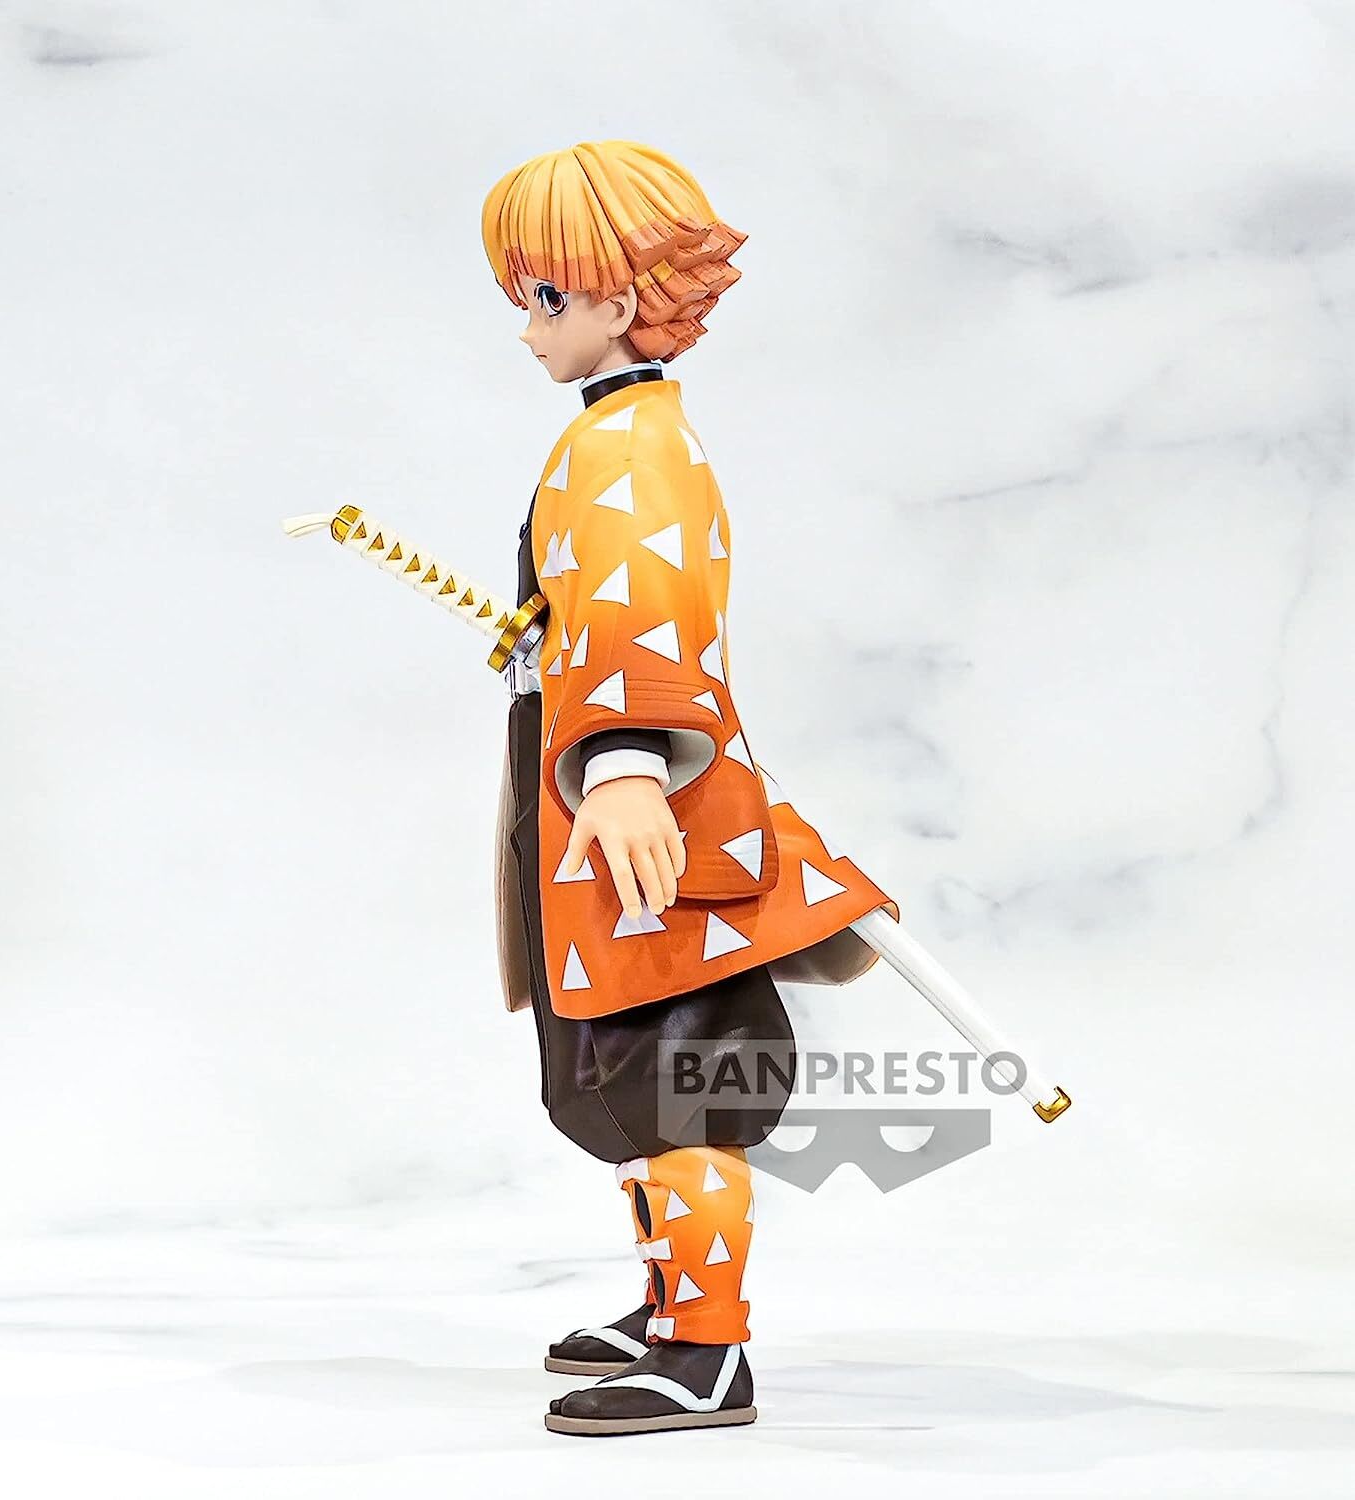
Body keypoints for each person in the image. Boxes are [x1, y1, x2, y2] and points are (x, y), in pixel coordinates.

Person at [484, 140, 898, 1436]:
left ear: (618, 297)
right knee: (627, 1075)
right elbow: (600, 609)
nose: (528, 326)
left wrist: (622, 766)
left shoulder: (629, 451)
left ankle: (708, 1350)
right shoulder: (615, 437)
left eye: (546, 296)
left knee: (677, 1080)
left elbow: (648, 610)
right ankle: (671, 1306)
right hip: (605, 804)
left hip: (644, 814)